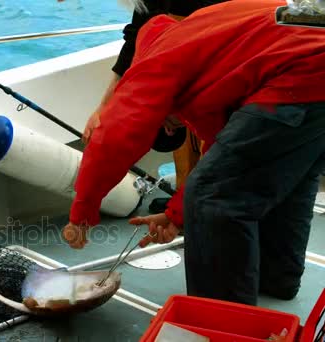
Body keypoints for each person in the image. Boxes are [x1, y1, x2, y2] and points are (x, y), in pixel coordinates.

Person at [62, 0, 325, 306]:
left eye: (167, 124)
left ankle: (222, 321)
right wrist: (176, 215)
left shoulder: (158, 58)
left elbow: (114, 136)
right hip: (307, 54)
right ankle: (275, 278)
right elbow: (224, 155)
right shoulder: (200, 37)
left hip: (304, 69)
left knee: (214, 198)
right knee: (287, 177)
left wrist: (82, 214)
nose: (174, 129)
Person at [83, 0, 227, 195]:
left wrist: (105, 108)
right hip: (191, 56)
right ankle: (185, 203)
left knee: (219, 157)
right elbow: (135, 37)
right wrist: (103, 108)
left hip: (225, 50)